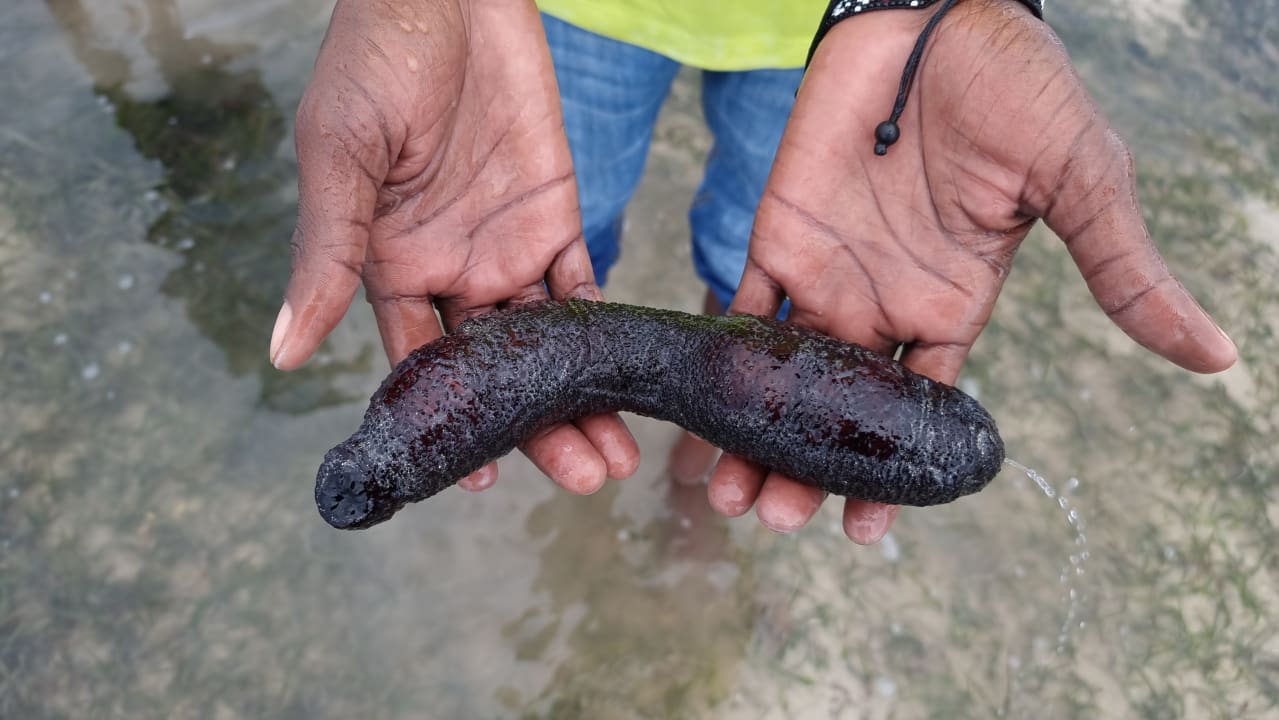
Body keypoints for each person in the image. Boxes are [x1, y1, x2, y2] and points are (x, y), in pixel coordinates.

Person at [269, 0, 1237, 545]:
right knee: (534, 245)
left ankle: (691, 483)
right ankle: (688, 489)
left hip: (834, 26)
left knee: (763, 270)